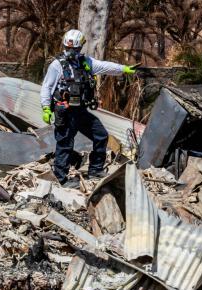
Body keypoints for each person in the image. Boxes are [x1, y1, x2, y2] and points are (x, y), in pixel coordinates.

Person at [40, 29, 136, 185]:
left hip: (81, 111)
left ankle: (95, 170)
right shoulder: (57, 65)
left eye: (75, 49)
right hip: (65, 112)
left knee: (101, 135)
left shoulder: (85, 62)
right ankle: (61, 179)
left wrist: (123, 69)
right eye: (68, 48)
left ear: (80, 48)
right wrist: (45, 108)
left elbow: (105, 67)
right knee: (65, 144)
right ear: (64, 46)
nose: (71, 52)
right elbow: (46, 87)